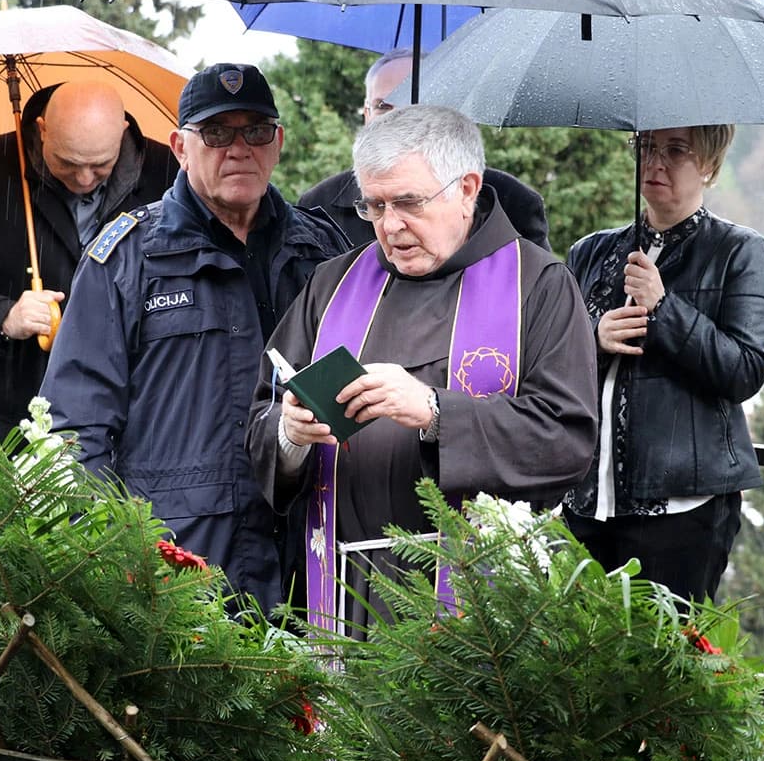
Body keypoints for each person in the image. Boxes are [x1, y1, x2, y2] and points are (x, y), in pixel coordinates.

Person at [247, 104, 598, 637]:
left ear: (467, 188)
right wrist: (290, 435)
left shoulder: (538, 285)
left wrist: (436, 413)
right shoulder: (333, 284)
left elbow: (565, 438)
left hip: (478, 600)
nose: (390, 225)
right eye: (375, 205)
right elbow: (265, 411)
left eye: (408, 202)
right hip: (341, 589)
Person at [39, 63, 349, 612]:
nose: (238, 149)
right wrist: (114, 562)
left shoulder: (323, 251)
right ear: (180, 147)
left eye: (255, 131)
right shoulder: (128, 257)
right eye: (216, 133)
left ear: (278, 142)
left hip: (312, 552)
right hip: (181, 565)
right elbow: (77, 432)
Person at [561, 125, 764, 603]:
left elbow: (745, 369)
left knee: (661, 665)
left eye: (676, 150)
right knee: (574, 666)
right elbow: (548, 360)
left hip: (683, 506)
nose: (655, 163)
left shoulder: (738, 252)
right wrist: (593, 339)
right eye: (646, 148)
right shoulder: (590, 251)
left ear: (709, 163)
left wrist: (664, 309)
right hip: (584, 501)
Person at [0, 82, 177, 439]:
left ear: (121, 133)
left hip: (138, 417)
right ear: (42, 130)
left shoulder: (169, 174)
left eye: (101, 165)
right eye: (68, 164)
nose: (84, 179)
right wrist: (4, 315)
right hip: (18, 415)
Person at [299, 48, 551, 251]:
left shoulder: (511, 201)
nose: (397, 119)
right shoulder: (319, 206)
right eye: (384, 107)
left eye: (413, 106)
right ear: (366, 115)